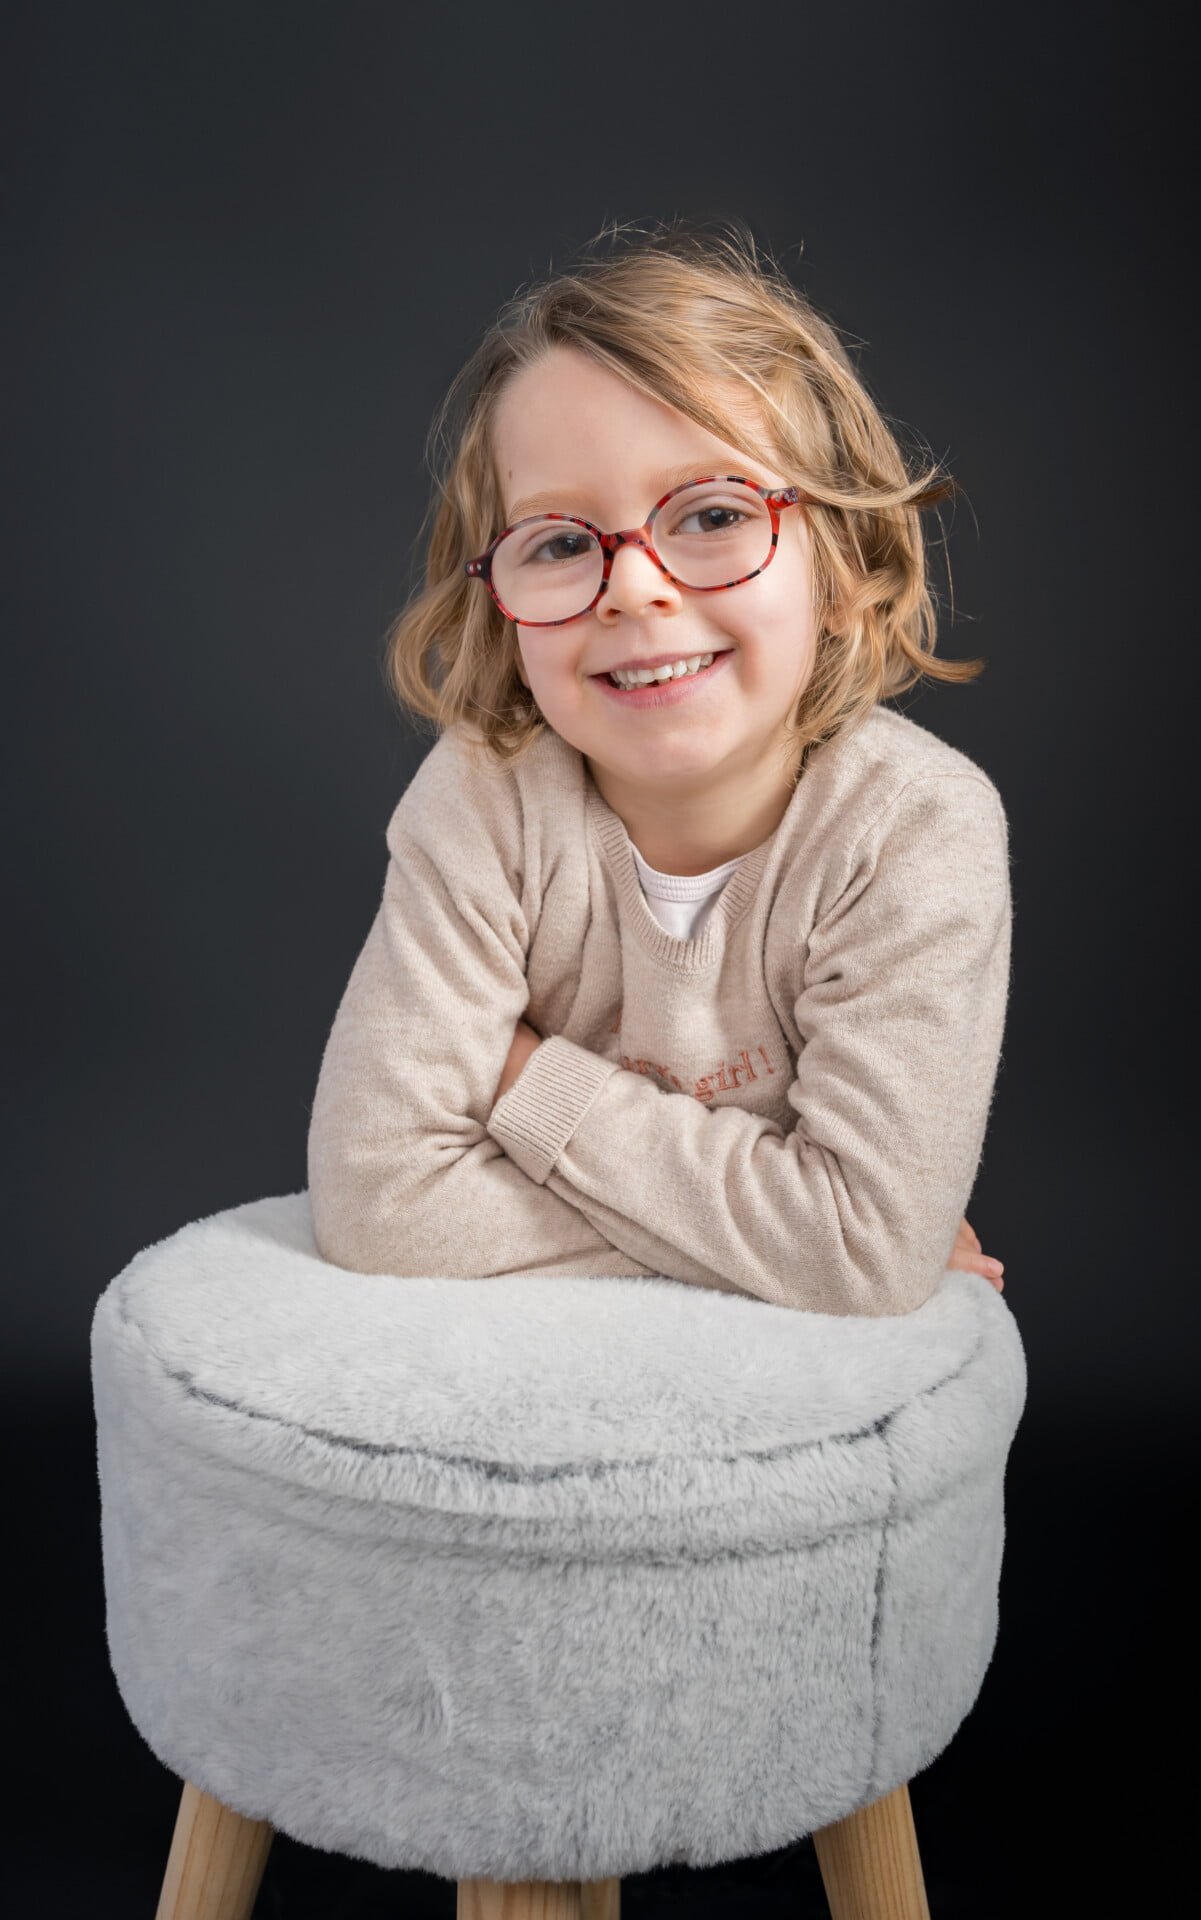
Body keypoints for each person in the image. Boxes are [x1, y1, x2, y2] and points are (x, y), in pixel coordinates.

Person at [306, 219, 1013, 1315]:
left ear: (840, 570)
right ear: (501, 608)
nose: (634, 589)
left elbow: (856, 1248)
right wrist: (790, 1237)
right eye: (555, 541)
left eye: (715, 513)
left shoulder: (913, 828)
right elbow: (377, 1200)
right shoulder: (483, 799)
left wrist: (529, 1085)